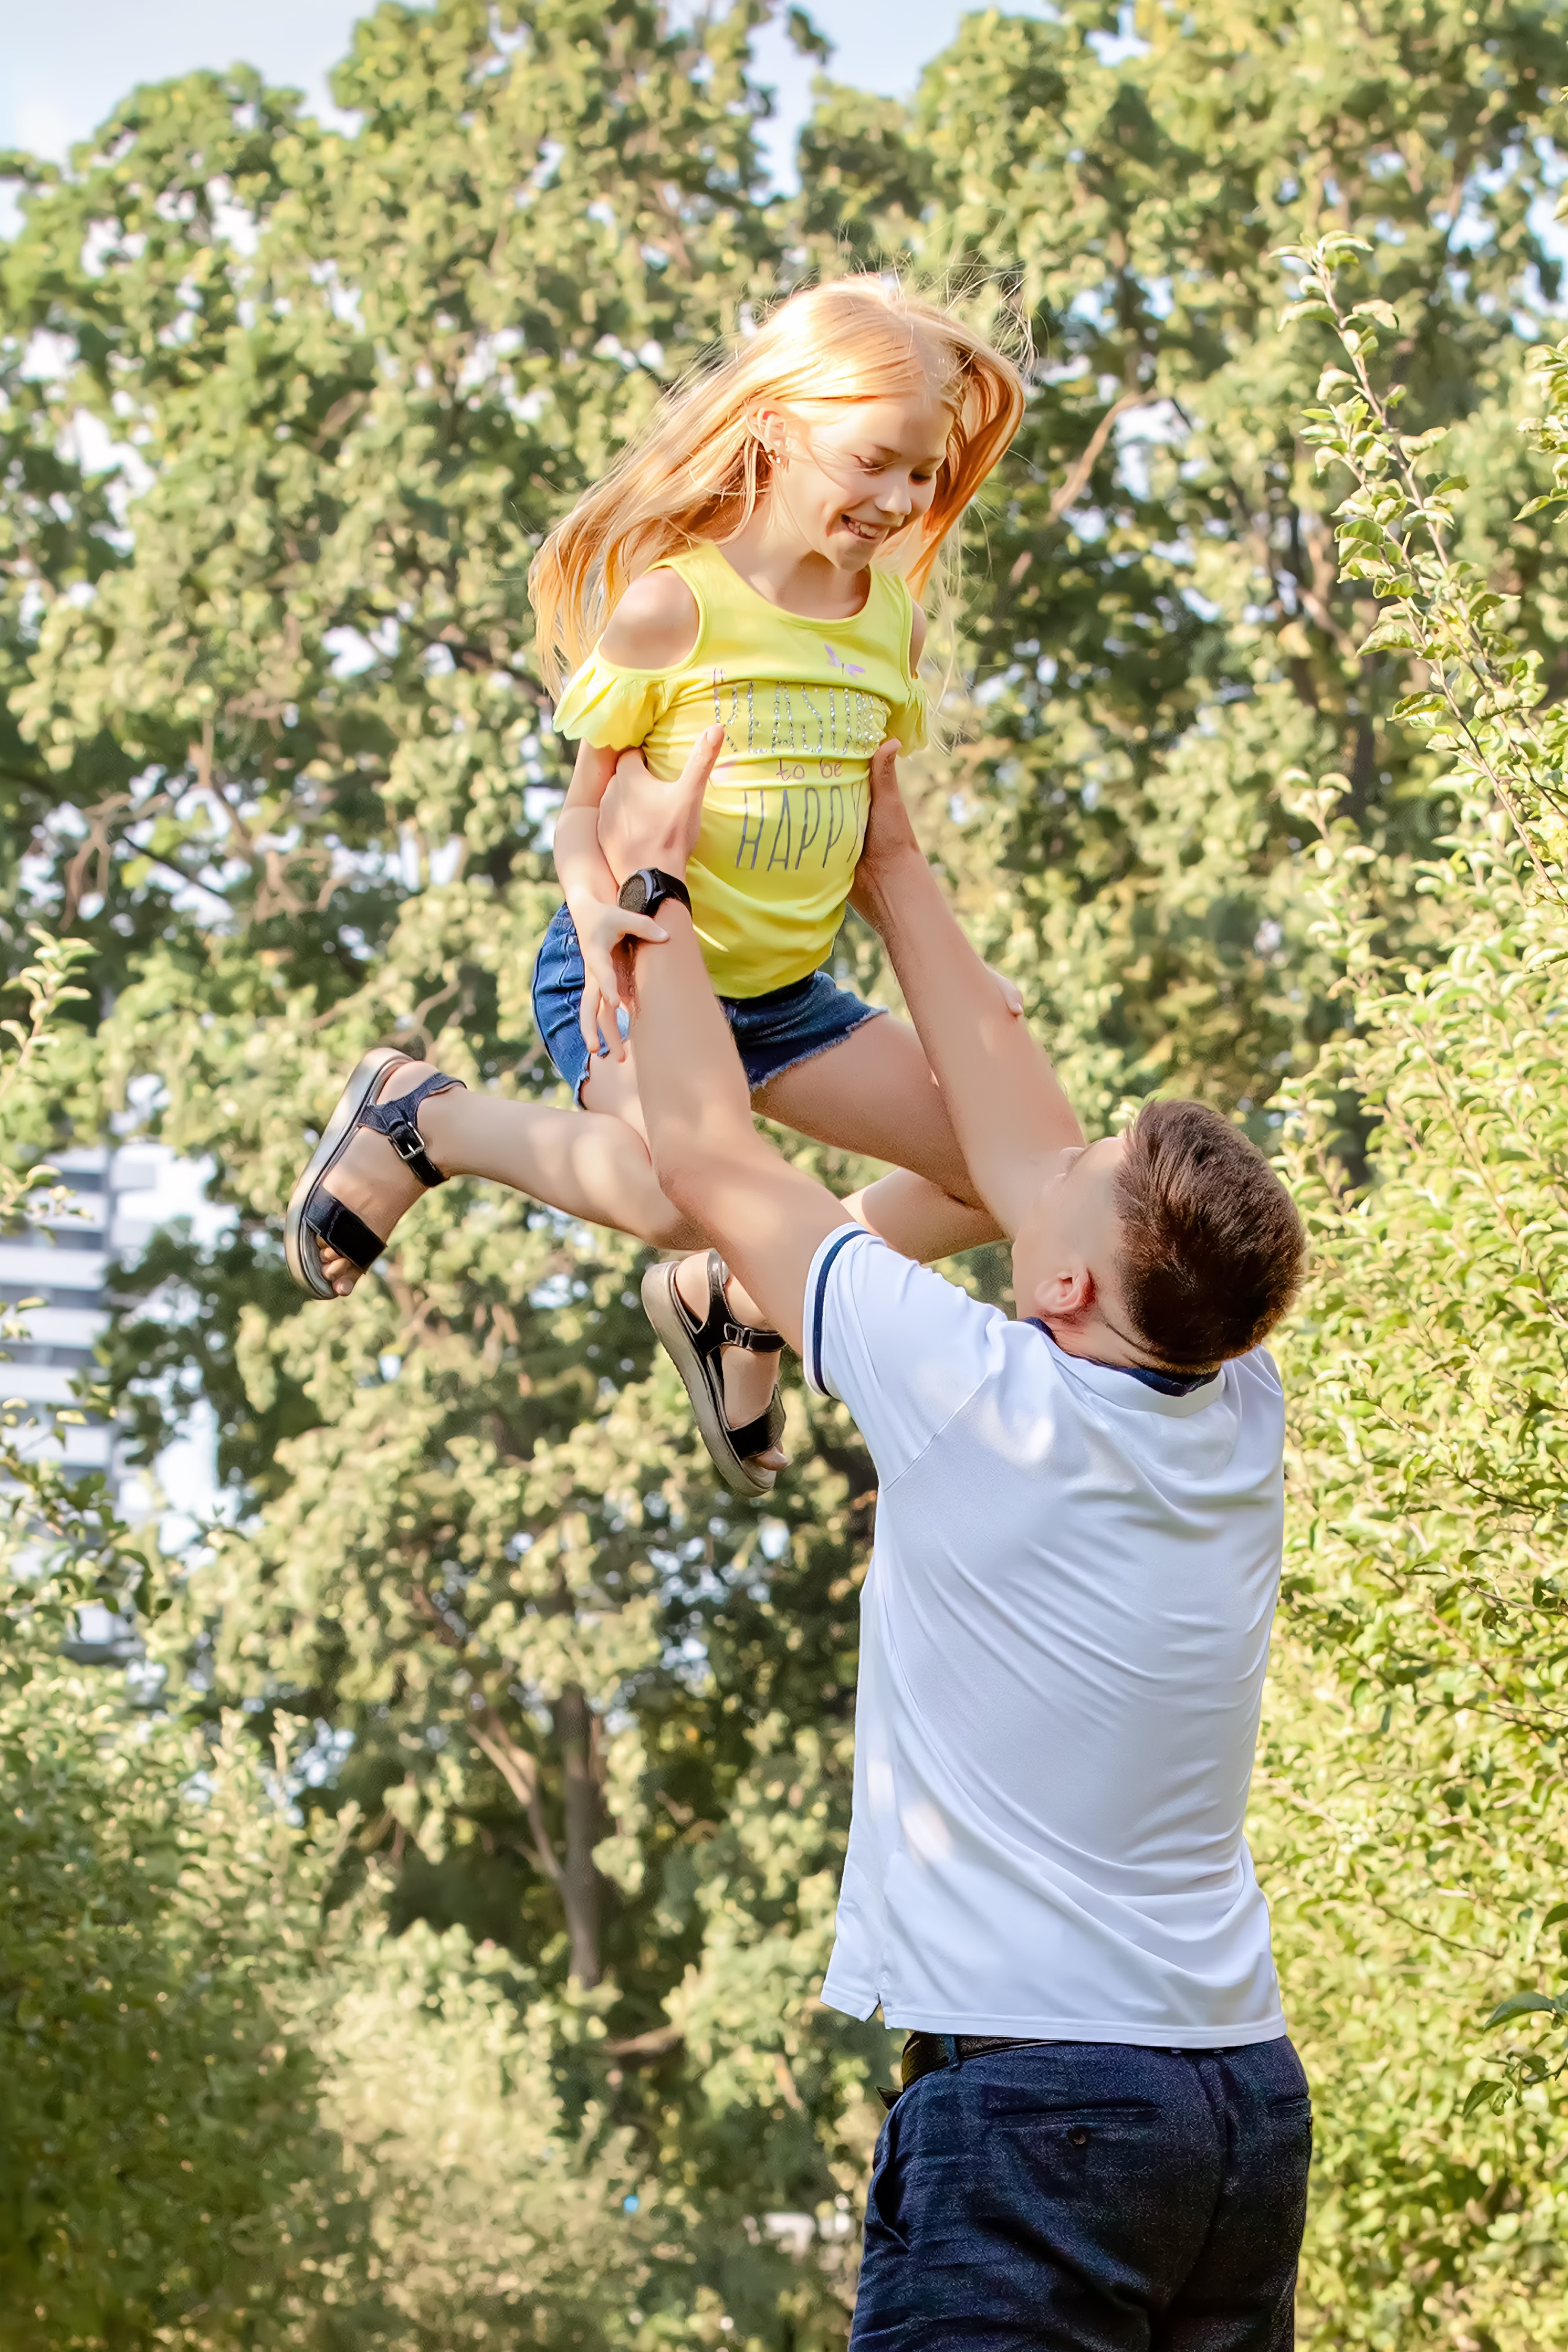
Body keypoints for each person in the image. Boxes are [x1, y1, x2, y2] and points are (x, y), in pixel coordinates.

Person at [589, 728, 1314, 2350]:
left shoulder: (975, 1393)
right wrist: (890, 855)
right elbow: (1006, 1094)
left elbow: (708, 1156)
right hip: (1238, 2114)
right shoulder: (1234, 1402)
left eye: (1075, 1175)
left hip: (1046, 2118)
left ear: (1066, 1287)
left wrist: (645, 893)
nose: (1040, 1160)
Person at [283, 277, 1025, 1499]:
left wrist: (949, 978)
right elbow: (584, 814)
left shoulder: (884, 618)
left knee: (995, 1166)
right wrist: (592, 906)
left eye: (921, 475)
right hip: (632, 964)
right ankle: (423, 1120)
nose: (899, 502)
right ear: (780, 424)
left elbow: (855, 832)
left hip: (784, 998)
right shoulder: (674, 606)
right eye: (874, 462)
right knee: (677, 1195)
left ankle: (741, 1299)